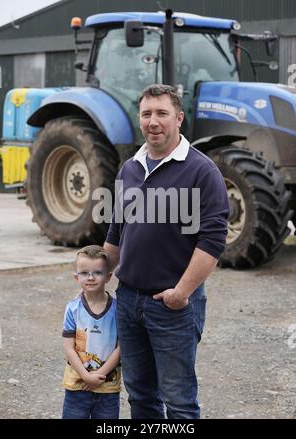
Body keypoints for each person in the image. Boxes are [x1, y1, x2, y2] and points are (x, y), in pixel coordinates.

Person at [104, 84, 229, 419]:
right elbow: (117, 231)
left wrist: (181, 293)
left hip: (172, 306)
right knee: (140, 396)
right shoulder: (129, 168)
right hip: (129, 301)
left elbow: (213, 240)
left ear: (179, 118)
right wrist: (97, 278)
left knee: (179, 402)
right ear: (139, 119)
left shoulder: (201, 171)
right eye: (147, 114)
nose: (153, 122)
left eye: (162, 113)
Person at [61, 245, 121, 419]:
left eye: (98, 272)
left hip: (108, 385)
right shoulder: (73, 309)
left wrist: (98, 375)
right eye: (84, 273)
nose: (91, 277)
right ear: (76, 277)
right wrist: (86, 376)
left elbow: (121, 346)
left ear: (108, 276)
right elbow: (69, 348)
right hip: (77, 383)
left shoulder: (118, 309)